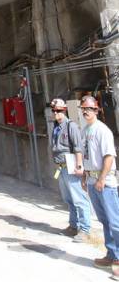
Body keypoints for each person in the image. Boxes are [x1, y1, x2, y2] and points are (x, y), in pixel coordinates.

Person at [80, 94, 119, 275]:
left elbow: (109, 157)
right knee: (104, 221)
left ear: (96, 110)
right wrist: (84, 177)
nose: (86, 112)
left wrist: (102, 179)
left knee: (115, 222)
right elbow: (87, 156)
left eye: (89, 109)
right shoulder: (85, 130)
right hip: (92, 180)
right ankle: (111, 254)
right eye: (83, 109)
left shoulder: (102, 130)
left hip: (105, 183)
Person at [49, 97, 91, 241]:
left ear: (64, 110)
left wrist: (79, 167)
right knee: (69, 199)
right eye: (54, 111)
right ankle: (73, 226)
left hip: (71, 166)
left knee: (79, 199)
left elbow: (78, 148)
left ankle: (85, 230)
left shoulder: (70, 126)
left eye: (59, 111)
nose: (56, 113)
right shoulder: (56, 126)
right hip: (61, 167)